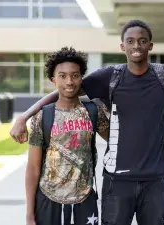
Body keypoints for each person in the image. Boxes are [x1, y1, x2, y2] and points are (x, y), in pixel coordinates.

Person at [12, 20, 164, 225]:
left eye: (142, 41)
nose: (136, 45)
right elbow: (66, 91)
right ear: (122, 46)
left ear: (150, 45)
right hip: (117, 183)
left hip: (156, 182)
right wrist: (25, 116)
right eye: (130, 41)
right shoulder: (109, 77)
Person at [25, 46, 109, 225]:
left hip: (85, 200)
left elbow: (119, 143)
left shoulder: (94, 112)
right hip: (49, 200)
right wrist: (29, 215)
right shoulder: (43, 116)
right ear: (53, 79)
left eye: (75, 75)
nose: (69, 81)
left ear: (81, 78)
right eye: (62, 76)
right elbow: (33, 168)